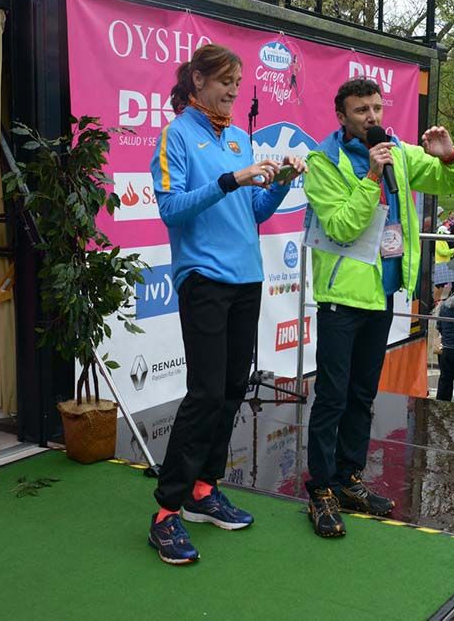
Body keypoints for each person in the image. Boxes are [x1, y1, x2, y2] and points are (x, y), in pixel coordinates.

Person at [146, 44, 306, 565]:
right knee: (205, 393)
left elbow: (253, 211)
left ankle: (202, 490)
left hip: (247, 279)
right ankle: (166, 512)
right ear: (197, 80)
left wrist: (278, 185)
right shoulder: (176, 135)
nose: (235, 89)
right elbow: (172, 210)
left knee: (234, 388)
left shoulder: (239, 138)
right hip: (204, 280)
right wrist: (229, 178)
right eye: (225, 80)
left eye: (239, 81)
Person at [302, 78, 454, 538]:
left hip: (381, 293)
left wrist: (450, 154)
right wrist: (371, 178)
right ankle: (320, 487)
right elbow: (339, 226)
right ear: (342, 116)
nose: (372, 118)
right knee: (333, 396)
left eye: (377, 108)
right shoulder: (323, 161)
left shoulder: (395, 150)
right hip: (341, 298)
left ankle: (349, 477)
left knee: (362, 393)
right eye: (361, 111)